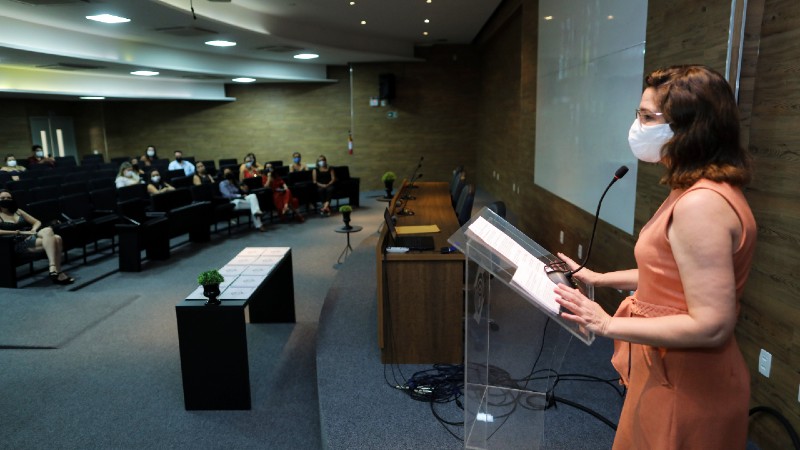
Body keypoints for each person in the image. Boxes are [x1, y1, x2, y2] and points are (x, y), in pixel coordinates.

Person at [553, 65, 756, 450]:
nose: (637, 126)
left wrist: (606, 324)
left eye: (648, 117)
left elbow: (712, 325)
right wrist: (598, 278)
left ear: (690, 127)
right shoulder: (690, 188)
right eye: (638, 115)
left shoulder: (703, 205)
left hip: (687, 384)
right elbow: (670, 274)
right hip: (665, 369)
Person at [0, 189, 74, 284]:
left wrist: (33, 230)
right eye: (2, 198)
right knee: (56, 239)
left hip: (29, 236)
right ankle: (57, 272)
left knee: (49, 231)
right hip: (14, 243)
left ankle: (53, 268)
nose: (6, 200)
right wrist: (17, 232)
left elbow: (37, 222)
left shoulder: (18, 211)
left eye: (8, 198)